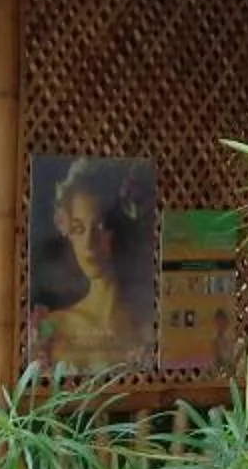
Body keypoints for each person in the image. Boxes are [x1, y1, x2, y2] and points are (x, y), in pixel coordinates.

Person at [27, 159, 155, 371]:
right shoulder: (51, 327)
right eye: (78, 229)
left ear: (118, 227)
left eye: (99, 227)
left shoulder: (144, 327)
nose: (88, 244)